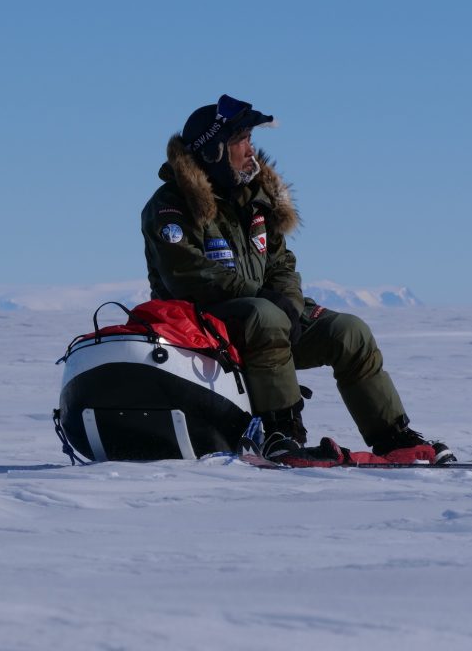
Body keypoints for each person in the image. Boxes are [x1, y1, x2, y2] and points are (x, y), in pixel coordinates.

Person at [141, 94, 452, 463]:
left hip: (264, 316)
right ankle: (281, 434)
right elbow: (188, 275)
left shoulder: (256, 200)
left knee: (349, 332)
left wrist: (287, 300)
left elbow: (281, 264)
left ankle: (393, 437)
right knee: (267, 316)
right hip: (202, 323)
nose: (250, 149)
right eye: (240, 140)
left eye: (250, 139)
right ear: (213, 151)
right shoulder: (171, 206)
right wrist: (271, 303)